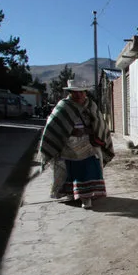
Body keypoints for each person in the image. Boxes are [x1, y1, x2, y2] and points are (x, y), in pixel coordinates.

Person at [38, 80, 114, 209]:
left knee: (90, 169)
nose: (78, 95)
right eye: (75, 92)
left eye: (81, 92)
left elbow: (99, 123)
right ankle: (72, 193)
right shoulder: (63, 106)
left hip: (89, 144)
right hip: (68, 146)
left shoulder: (91, 105)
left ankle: (86, 197)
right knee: (69, 170)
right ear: (70, 92)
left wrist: (90, 131)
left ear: (85, 92)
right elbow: (54, 124)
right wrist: (71, 131)